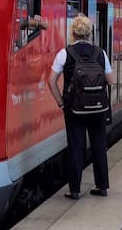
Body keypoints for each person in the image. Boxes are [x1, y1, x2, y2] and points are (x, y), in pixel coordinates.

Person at [49, 14, 114, 199]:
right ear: (89, 33)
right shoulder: (100, 53)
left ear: (73, 33)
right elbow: (111, 80)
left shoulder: (65, 53)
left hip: (74, 108)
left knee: (76, 147)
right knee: (99, 146)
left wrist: (61, 102)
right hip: (98, 108)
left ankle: (75, 190)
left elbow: (51, 81)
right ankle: (101, 187)